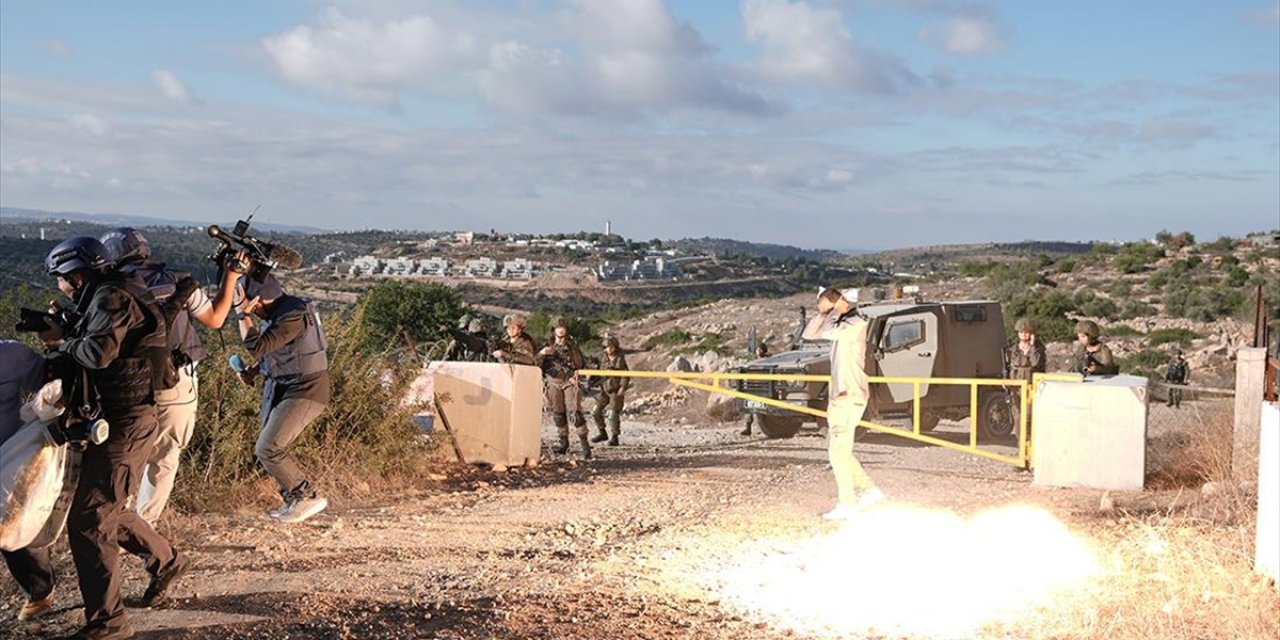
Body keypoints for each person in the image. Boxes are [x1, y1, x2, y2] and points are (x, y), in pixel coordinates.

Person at [38, 236, 188, 640]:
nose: (61, 287)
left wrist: (61, 342)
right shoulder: (111, 293)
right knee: (107, 508)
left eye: (62, 280)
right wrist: (68, 329)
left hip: (126, 421)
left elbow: (100, 353)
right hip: (122, 419)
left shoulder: (112, 297)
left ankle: (109, 624)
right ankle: (167, 560)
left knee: (90, 519)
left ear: (78, 274)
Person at [100, 227, 241, 524]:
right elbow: (215, 319)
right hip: (175, 382)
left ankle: (112, 521)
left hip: (125, 385)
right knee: (164, 459)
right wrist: (231, 276)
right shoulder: (177, 281)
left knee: (124, 455)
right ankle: (143, 528)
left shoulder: (109, 288)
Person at [233, 274, 330, 524]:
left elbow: (257, 346)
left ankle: (306, 496)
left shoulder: (292, 315)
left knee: (268, 447)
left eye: (252, 307)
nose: (253, 313)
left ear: (259, 300)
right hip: (283, 386)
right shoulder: (280, 312)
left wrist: (242, 315)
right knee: (268, 447)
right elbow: (277, 351)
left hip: (306, 389)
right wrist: (255, 371)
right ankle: (292, 501)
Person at [802, 287, 883, 521]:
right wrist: (822, 314)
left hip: (849, 394)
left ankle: (849, 502)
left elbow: (827, 331)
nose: (821, 310)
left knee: (838, 452)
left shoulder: (854, 323)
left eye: (822, 304)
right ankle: (869, 491)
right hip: (842, 395)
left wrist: (834, 311)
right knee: (840, 451)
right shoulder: (840, 323)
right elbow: (809, 334)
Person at [1, 340, 57, 622]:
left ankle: (40, 589)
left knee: (15, 528)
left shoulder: (10, 355)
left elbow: (49, 385)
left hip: (9, 458)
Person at [539, 316, 590, 459]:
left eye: (563, 328)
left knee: (575, 412)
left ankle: (585, 445)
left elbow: (580, 364)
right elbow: (536, 362)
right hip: (553, 382)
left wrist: (577, 376)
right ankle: (563, 443)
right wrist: (542, 353)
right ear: (553, 330)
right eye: (558, 328)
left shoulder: (572, 346)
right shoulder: (546, 346)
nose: (560, 331)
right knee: (558, 413)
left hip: (569, 382)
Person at [589, 336, 630, 447]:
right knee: (595, 412)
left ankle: (614, 437)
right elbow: (597, 371)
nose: (609, 349)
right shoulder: (602, 358)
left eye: (611, 347)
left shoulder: (620, 359)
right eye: (607, 347)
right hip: (603, 389)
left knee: (612, 415)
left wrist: (623, 387)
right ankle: (602, 433)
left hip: (615, 390)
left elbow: (626, 374)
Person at [739, 342, 769, 437]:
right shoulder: (753, 362)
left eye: (760, 349)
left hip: (764, 387)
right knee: (750, 408)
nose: (758, 351)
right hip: (753, 386)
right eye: (757, 349)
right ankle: (748, 428)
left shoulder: (768, 361)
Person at [1006, 318, 1046, 383]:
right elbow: (1008, 368)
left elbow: (1034, 363)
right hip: (1015, 387)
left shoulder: (1038, 349)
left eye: (1026, 332)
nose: (1024, 334)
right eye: (1021, 332)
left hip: (1032, 386)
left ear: (1032, 333)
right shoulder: (1012, 350)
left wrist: (1032, 345)